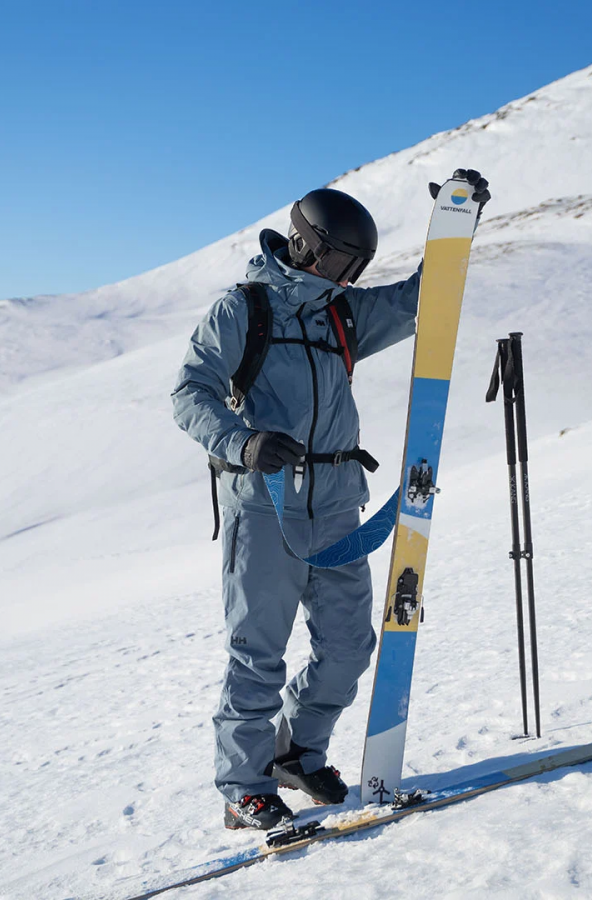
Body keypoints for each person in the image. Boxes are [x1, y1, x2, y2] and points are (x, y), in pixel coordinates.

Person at [172, 171, 491, 830]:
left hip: (338, 504)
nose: (351, 276)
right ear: (307, 246)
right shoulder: (245, 310)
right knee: (258, 652)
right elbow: (190, 392)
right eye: (343, 261)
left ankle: (296, 754)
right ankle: (243, 786)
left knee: (348, 646)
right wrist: (244, 442)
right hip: (266, 504)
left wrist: (456, 226)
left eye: (358, 266)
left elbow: (421, 302)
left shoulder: (340, 313)